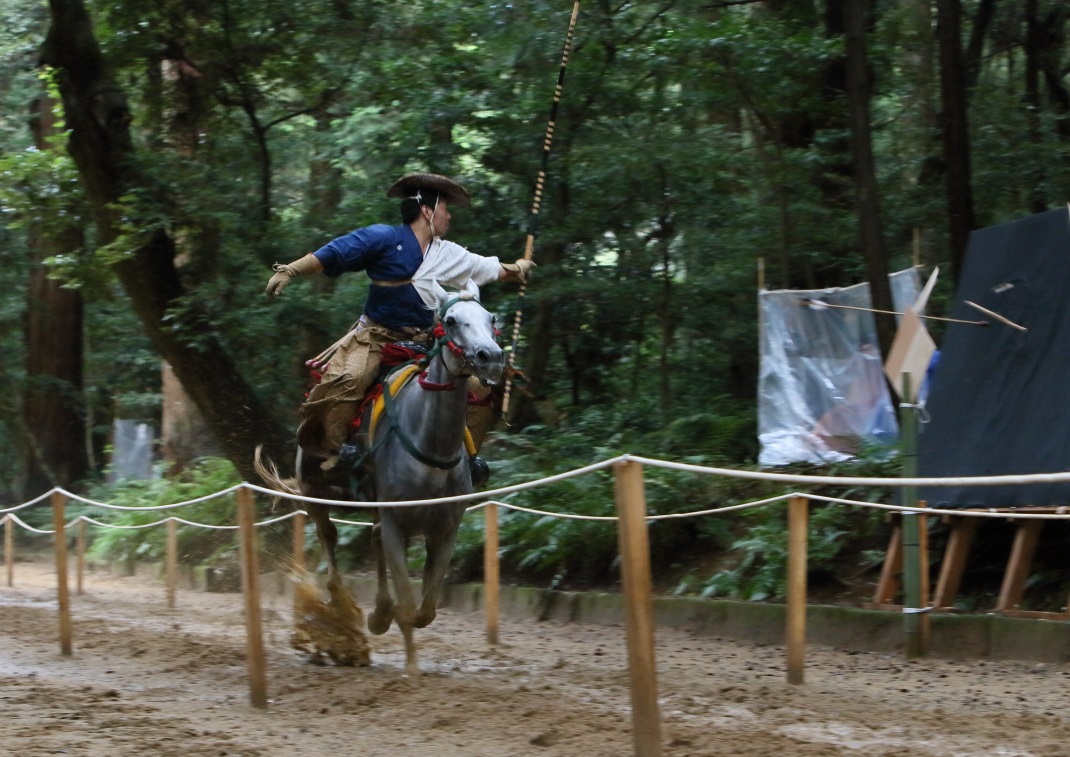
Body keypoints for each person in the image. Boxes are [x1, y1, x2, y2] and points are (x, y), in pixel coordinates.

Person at [265, 172, 533, 478]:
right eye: (445, 209)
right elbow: (335, 252)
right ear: (427, 212)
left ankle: (466, 462)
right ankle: (339, 452)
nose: (450, 215)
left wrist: (517, 269)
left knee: (476, 389)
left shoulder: (448, 253)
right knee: (349, 379)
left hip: (426, 344)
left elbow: (484, 267)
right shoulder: (383, 238)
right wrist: (291, 270)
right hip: (375, 339)